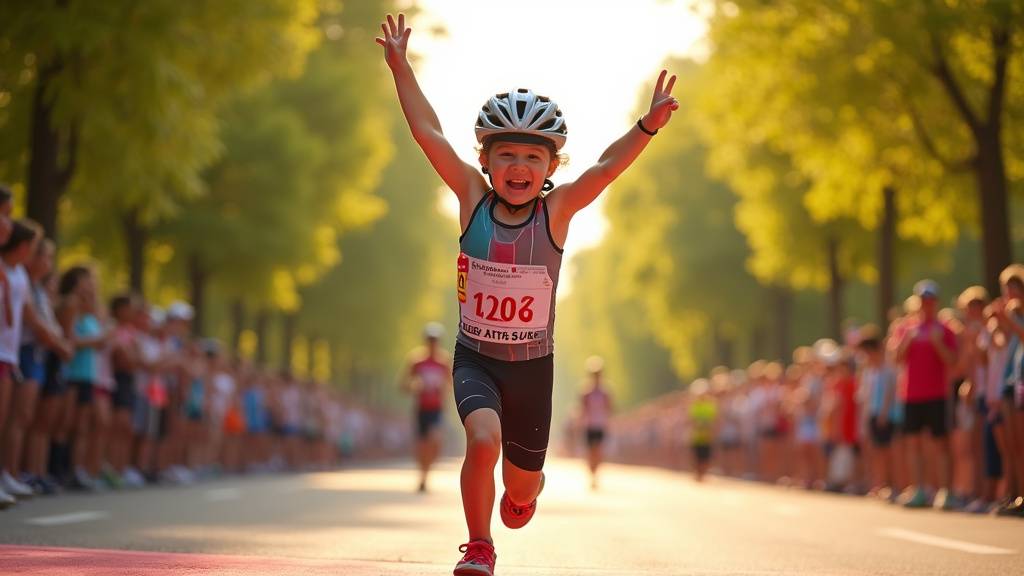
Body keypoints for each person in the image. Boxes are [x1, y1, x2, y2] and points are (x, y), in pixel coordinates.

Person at [376, 12, 679, 575]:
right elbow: (428, 132)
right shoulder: (470, 196)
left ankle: (524, 490)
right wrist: (401, 66)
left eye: (533, 157)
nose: (519, 166)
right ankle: (479, 547)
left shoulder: (557, 210)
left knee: (519, 498)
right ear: (485, 161)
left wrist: (647, 126)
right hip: (476, 359)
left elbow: (607, 168)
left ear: (550, 167)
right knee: (483, 439)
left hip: (532, 369)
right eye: (506, 154)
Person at [893, 280, 957, 509]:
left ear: (936, 303)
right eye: (923, 301)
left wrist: (938, 344)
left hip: (936, 393)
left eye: (930, 301)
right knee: (914, 443)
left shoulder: (945, 329)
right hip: (911, 394)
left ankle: (945, 491)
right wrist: (906, 342)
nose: (926, 305)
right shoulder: (906, 329)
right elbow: (897, 360)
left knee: (941, 443)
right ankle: (918, 489)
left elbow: (952, 361)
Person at [401, 322, 452, 493]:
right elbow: (403, 384)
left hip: (437, 409)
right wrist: (415, 386)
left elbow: (452, 385)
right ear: (425, 341)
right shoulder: (416, 361)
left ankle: (426, 471)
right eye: (430, 339)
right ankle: (423, 477)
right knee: (422, 445)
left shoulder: (444, 362)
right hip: (421, 408)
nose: (432, 343)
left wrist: (443, 391)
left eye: (435, 340)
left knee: (435, 440)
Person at [579, 356, 612, 489]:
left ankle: (595, 475)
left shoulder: (606, 392)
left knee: (598, 451)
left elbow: (610, 408)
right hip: (589, 425)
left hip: (600, 425)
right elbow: (582, 409)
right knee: (590, 451)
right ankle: (591, 474)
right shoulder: (586, 392)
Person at [688, 378, 716, 482]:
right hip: (697, 436)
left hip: (707, 436)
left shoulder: (710, 406)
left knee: (706, 456)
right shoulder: (695, 406)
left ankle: (703, 474)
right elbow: (691, 421)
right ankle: (698, 473)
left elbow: (714, 420)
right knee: (697, 456)